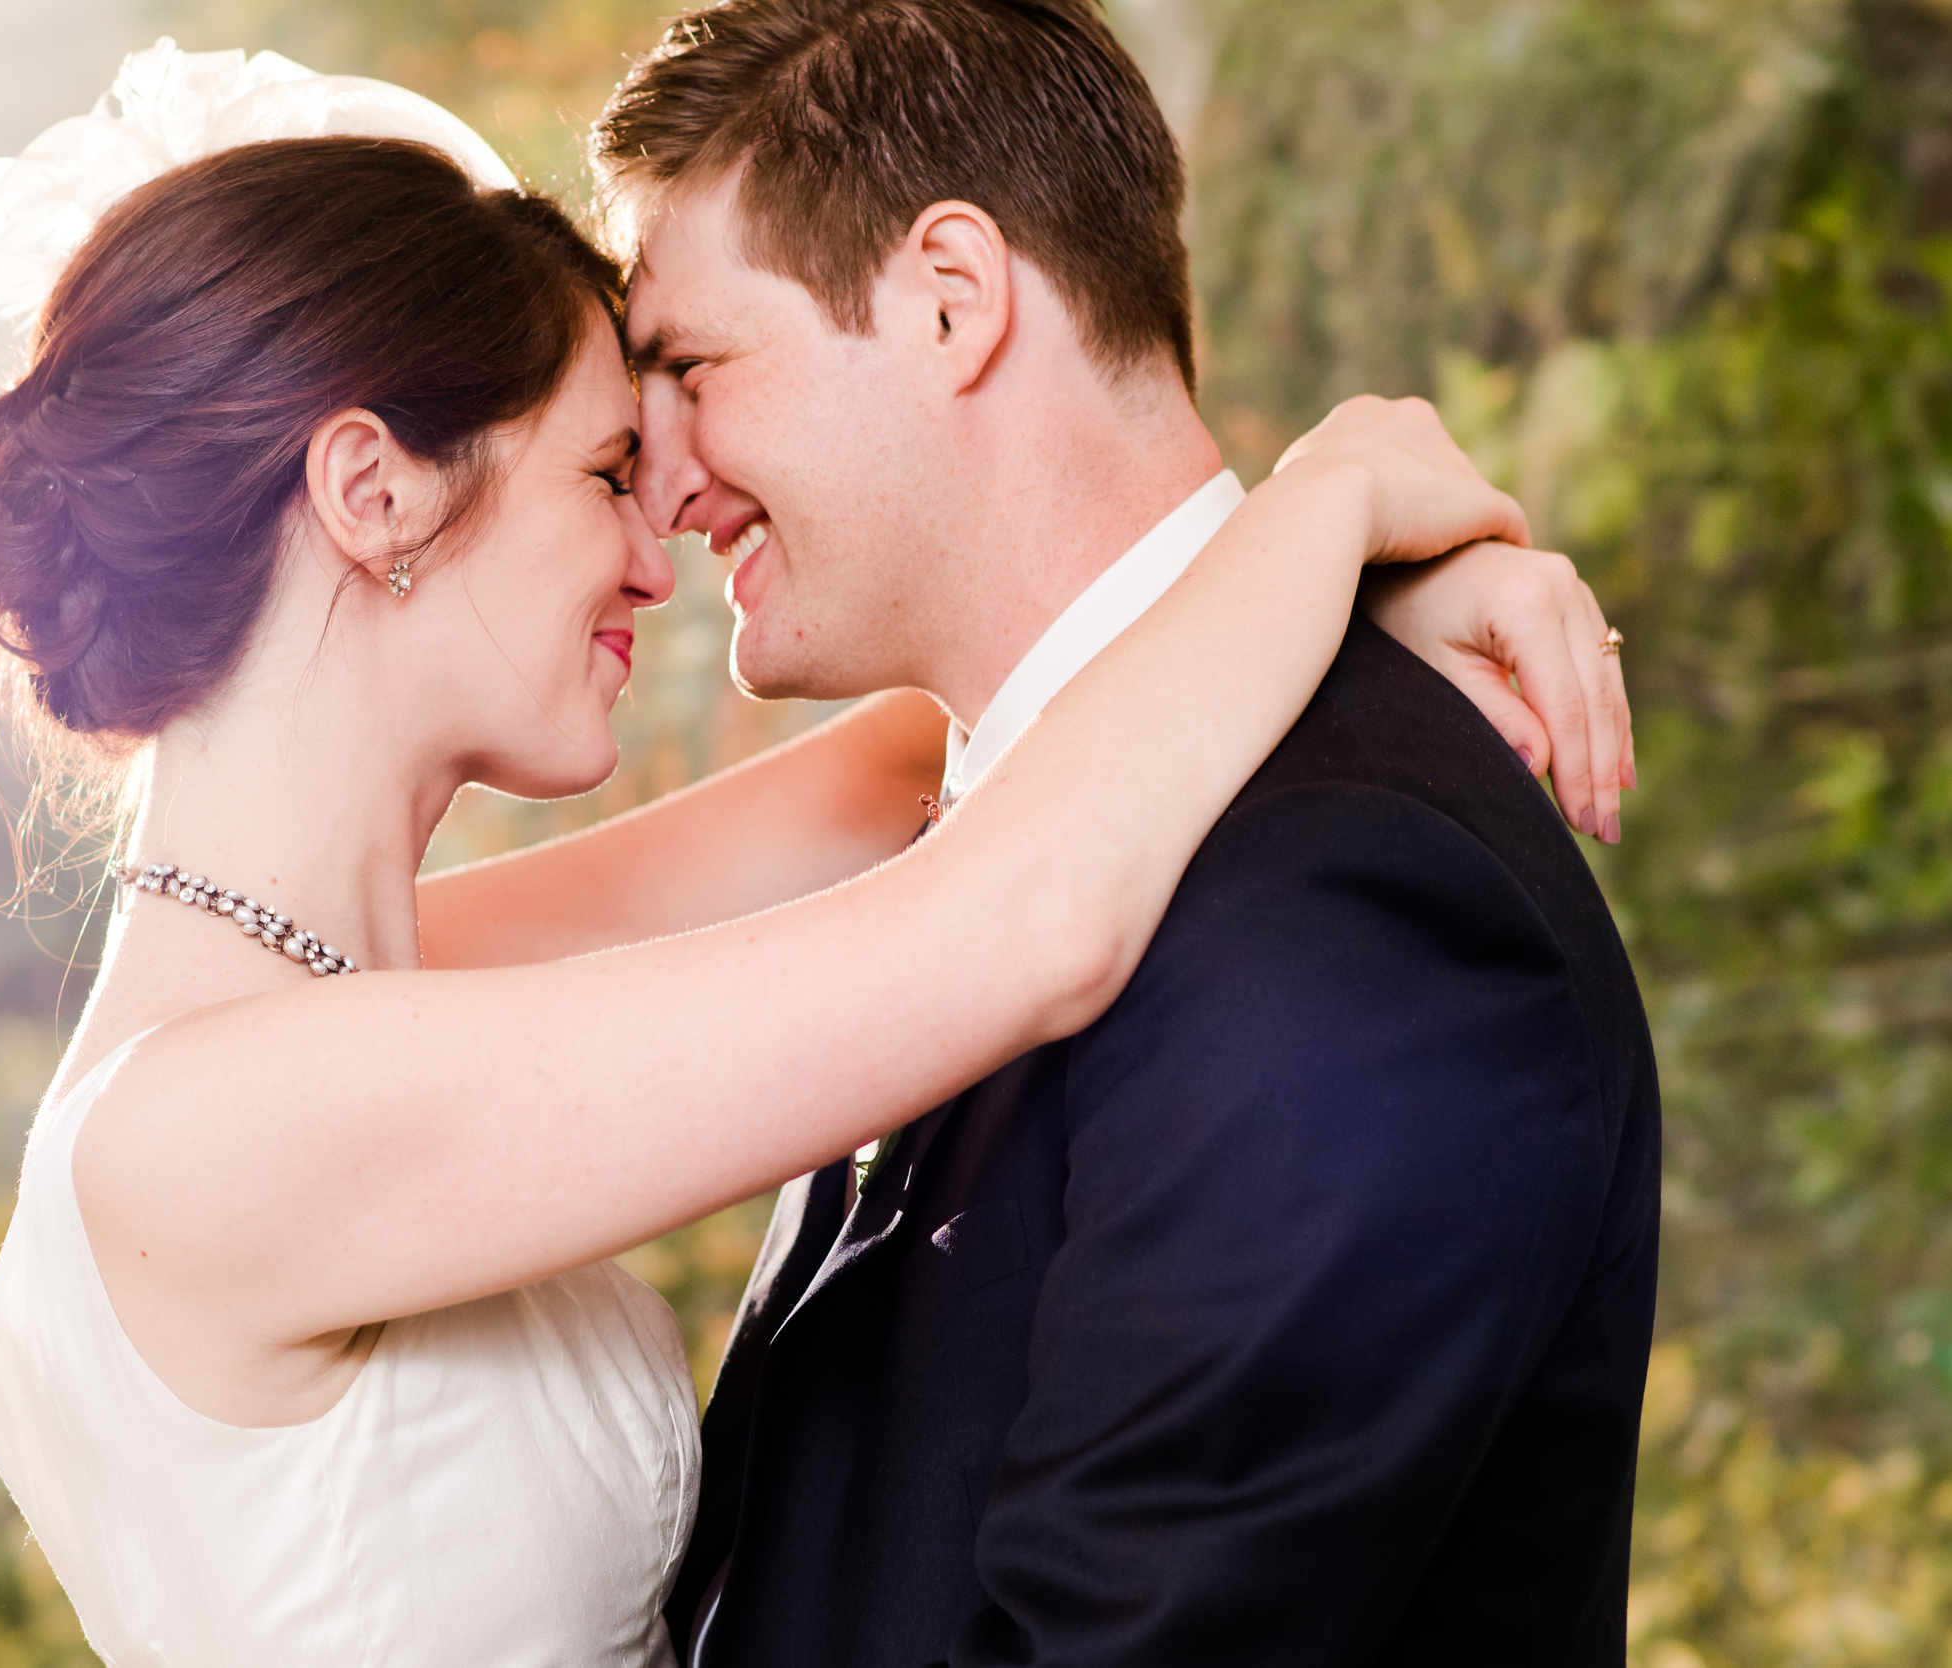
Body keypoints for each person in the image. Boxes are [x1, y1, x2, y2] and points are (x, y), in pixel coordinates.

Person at [0, 41, 1623, 1668]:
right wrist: (1338, 495)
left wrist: (1366, 603)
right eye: (604, 465)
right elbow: (1022, 911)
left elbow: (950, 753)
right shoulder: (222, 1127)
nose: (660, 543)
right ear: (373, 493)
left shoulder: (354, 985)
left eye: (688, 396)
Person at [433, 1, 1656, 1663]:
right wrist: (1325, 521)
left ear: (953, 299)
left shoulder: (1344, 900)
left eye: (694, 369)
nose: (659, 487)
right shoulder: (991, 817)